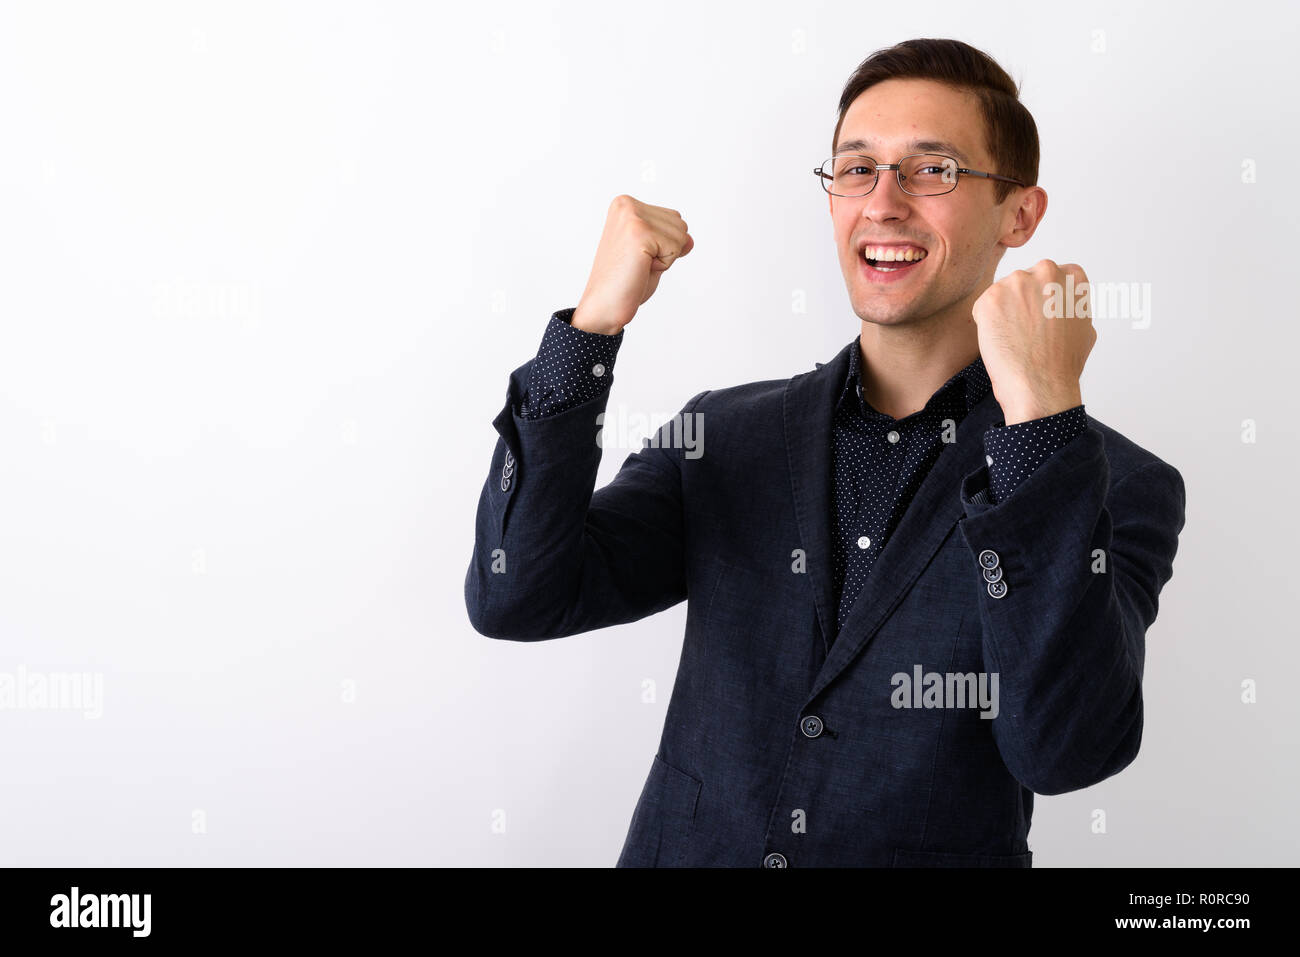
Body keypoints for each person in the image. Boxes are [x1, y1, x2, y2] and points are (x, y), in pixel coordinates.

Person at [464, 37, 1186, 867]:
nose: (883, 202)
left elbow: (1065, 752)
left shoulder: (1116, 483)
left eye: (933, 169)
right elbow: (515, 596)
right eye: (857, 169)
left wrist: (1041, 419)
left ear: (1019, 214)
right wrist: (590, 329)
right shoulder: (723, 436)